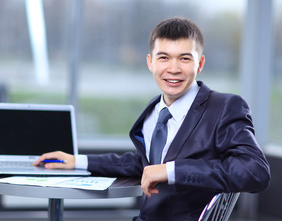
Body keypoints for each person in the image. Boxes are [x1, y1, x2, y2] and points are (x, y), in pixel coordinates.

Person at [34, 17, 271, 221]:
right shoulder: (154, 110)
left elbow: (255, 172)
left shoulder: (224, 107)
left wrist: (171, 171)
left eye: (185, 59)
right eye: (164, 57)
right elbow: (146, 164)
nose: (174, 68)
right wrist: (79, 161)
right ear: (150, 62)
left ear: (200, 63)